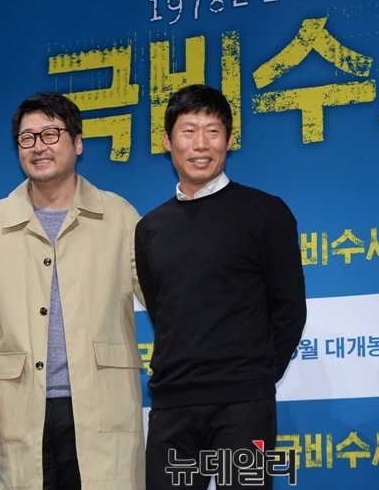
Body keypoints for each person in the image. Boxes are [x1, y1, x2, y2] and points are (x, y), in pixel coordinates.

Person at [0, 92, 145, 489]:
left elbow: (164, 300)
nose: (38, 146)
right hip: (22, 408)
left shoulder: (119, 215)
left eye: (50, 134)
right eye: (27, 138)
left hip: (102, 403)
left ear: (77, 143)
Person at [135, 84, 307, 489]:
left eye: (212, 131)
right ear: (167, 141)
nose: (201, 144)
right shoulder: (150, 228)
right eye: (188, 131)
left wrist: (254, 378)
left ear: (229, 140)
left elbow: (289, 309)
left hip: (243, 407)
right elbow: (162, 308)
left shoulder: (265, 212)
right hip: (173, 406)